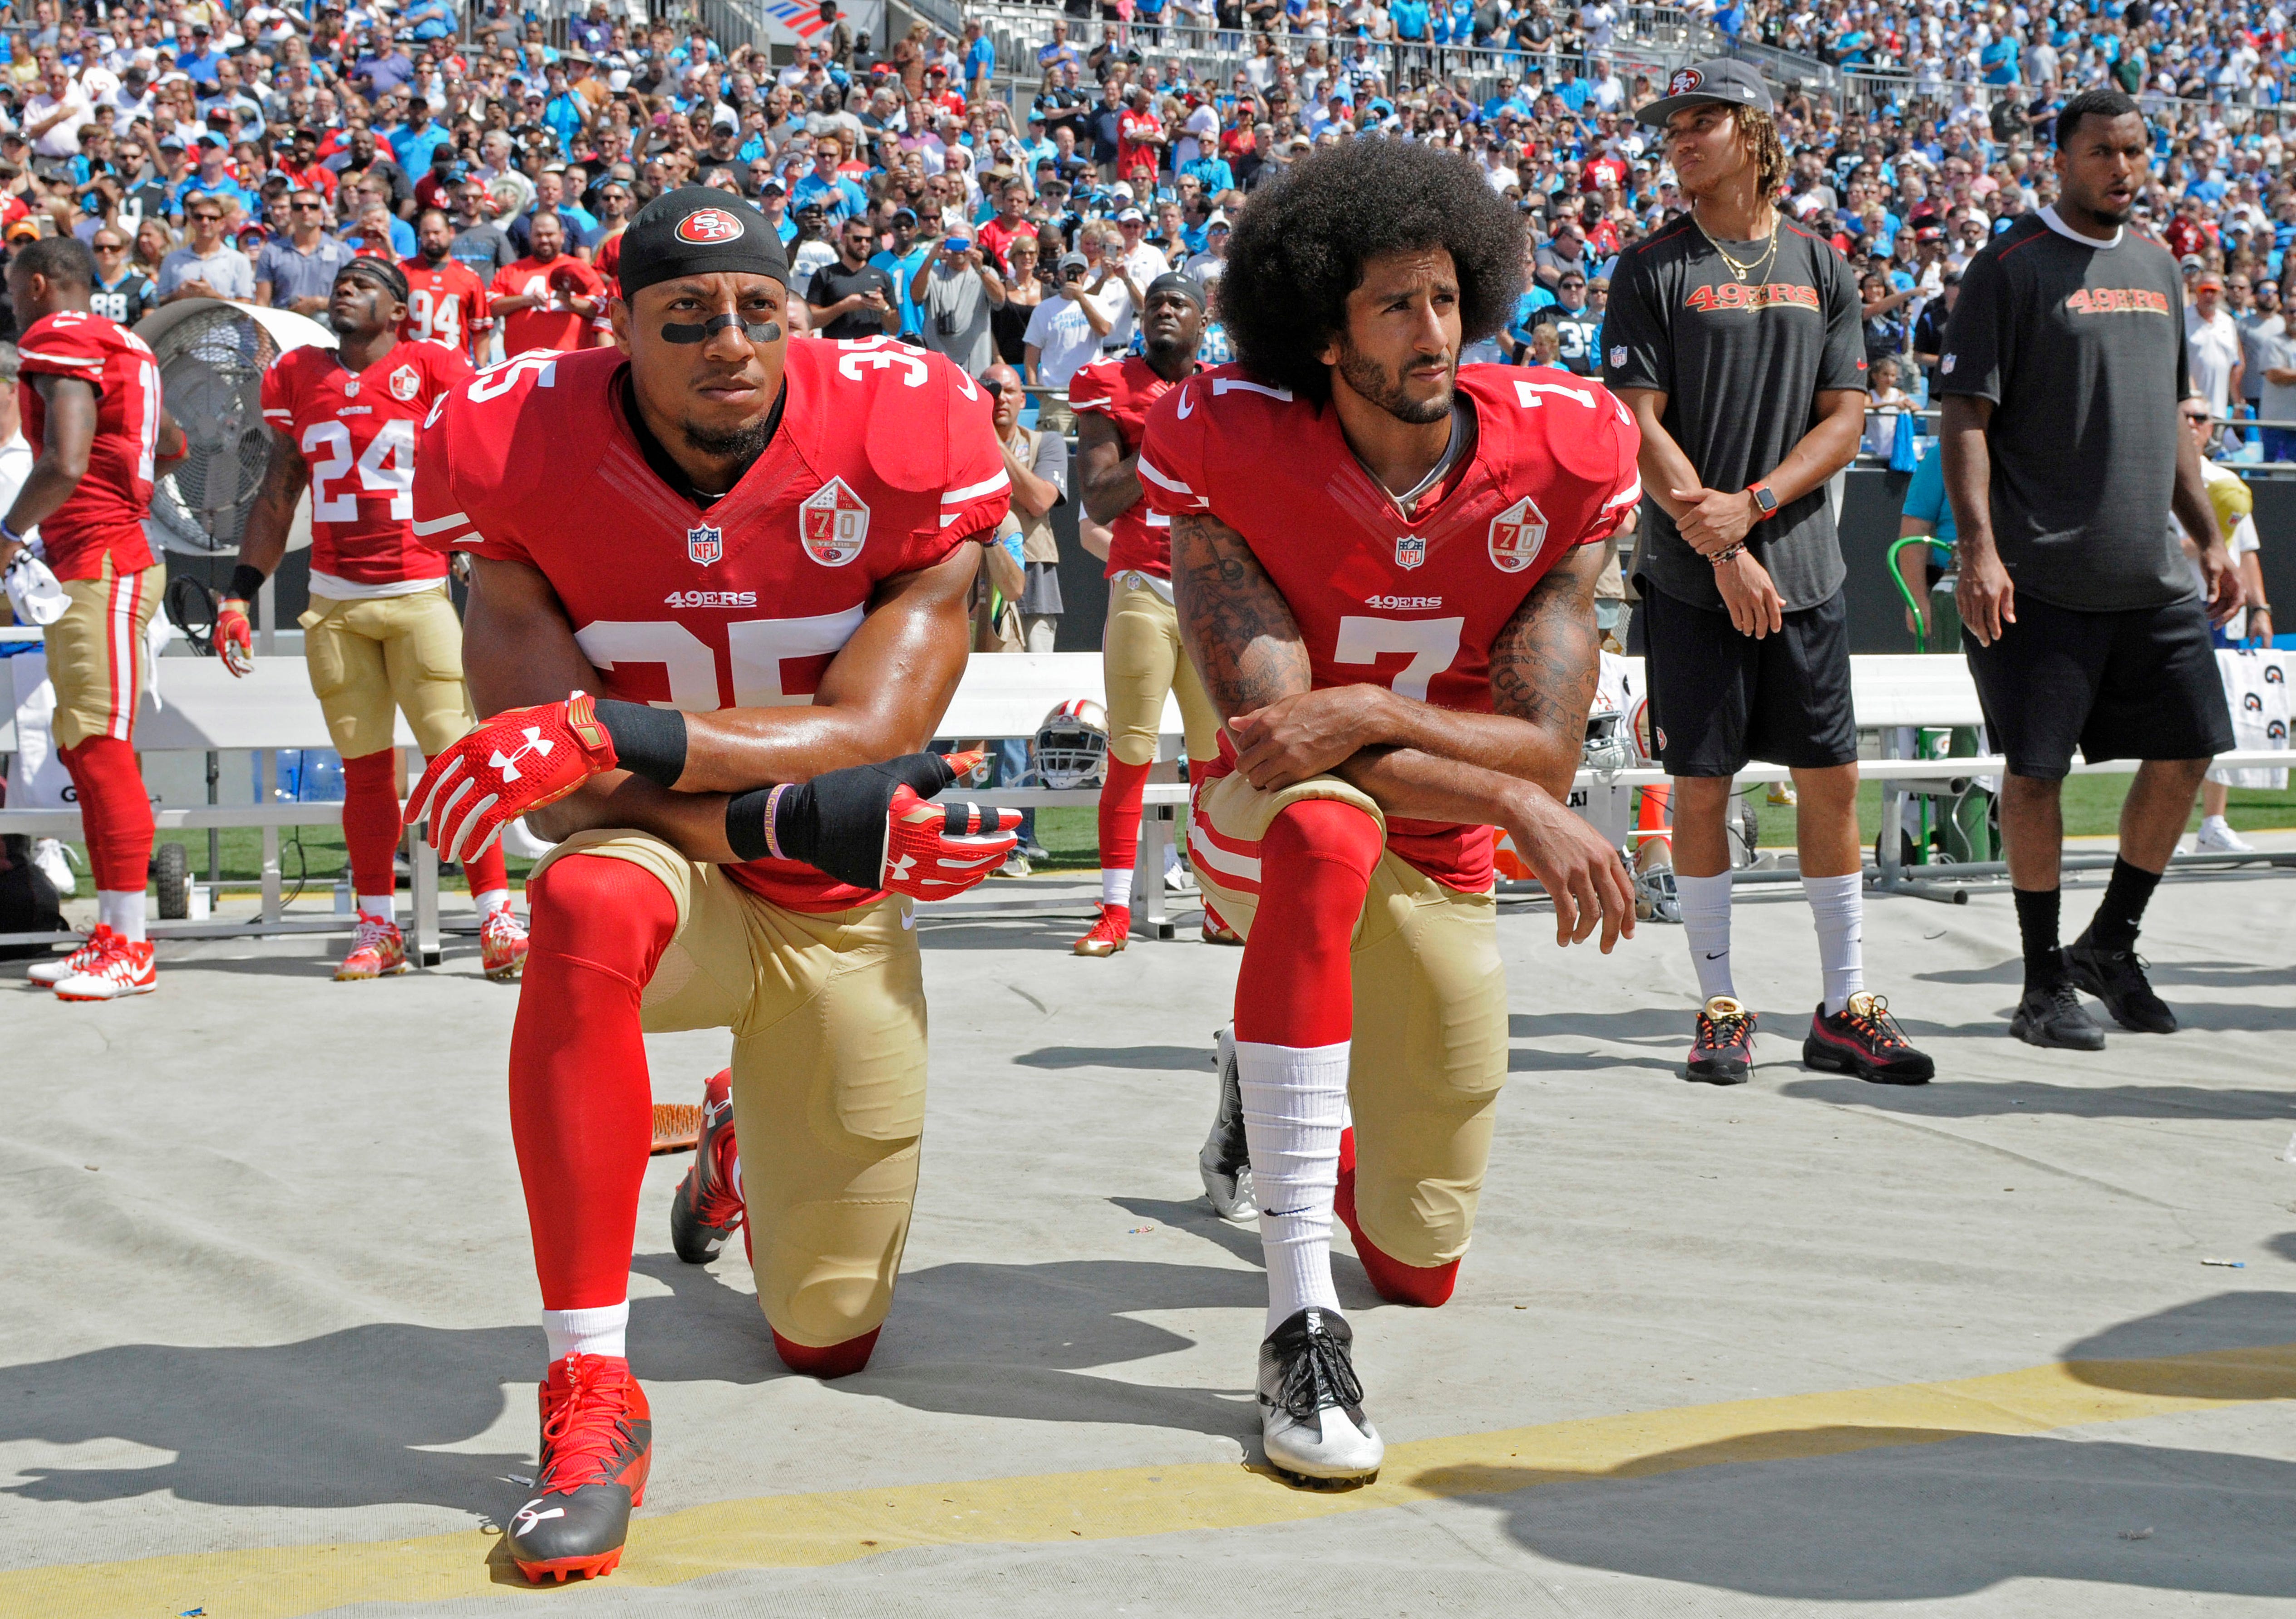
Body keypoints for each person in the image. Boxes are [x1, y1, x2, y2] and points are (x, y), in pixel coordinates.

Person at [402, 189, 1017, 1584]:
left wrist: (623, 727)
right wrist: (788, 813)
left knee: (830, 1340)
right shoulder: (516, 442)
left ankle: (737, 1146)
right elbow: (559, 798)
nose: (730, 341)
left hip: (832, 907)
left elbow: (871, 733)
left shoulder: (904, 426)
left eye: (756, 309)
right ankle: (592, 1392)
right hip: (671, 875)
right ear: (619, 335)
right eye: (686, 318)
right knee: (580, 897)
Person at [1140, 137, 1640, 1486]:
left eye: (1446, 296)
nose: (1436, 331)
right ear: (1318, 330)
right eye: (1392, 305)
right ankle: (1297, 1316)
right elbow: (1276, 741)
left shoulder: (1564, 447)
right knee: (1315, 827)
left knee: (1422, 1264)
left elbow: (1537, 747)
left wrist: (1375, 716)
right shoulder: (1224, 439)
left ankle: (1276, 1082)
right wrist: (1475, 776)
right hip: (1274, 823)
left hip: (1442, 847)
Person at [1605, 60, 1933, 1088]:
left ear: (1752, 133)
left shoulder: (1819, 263)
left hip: (1802, 569)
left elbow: (1843, 418)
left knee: (1827, 778)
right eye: (1671, 125)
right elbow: (1636, 421)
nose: (1679, 138)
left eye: (1700, 121)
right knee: (1699, 786)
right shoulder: (1649, 265)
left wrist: (1749, 510)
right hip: (1691, 576)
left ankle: (1842, 1006)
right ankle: (1717, 1006)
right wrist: (1721, 545)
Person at [1938, 88, 2244, 1053]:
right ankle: (2041, 985)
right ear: (2061, 159)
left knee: (2192, 748)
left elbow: (2173, 431)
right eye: (2103, 152)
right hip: (2039, 577)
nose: (2123, 168)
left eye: (2135, 151)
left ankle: (2109, 943)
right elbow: (1966, 418)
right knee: (2035, 777)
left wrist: (2209, 538)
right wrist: (1981, 549)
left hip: (2149, 575)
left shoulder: (2159, 264)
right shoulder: (2010, 265)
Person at [212, 259, 527, 982]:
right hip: (335, 599)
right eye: (342, 279)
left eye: (365, 281)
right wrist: (237, 591)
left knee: (461, 757)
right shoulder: (299, 375)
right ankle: (377, 923)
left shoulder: (433, 366)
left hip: (419, 591)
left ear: (398, 307)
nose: (346, 287)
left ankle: (496, 918)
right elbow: (278, 491)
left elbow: (486, 465)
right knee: (365, 773)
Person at [3, 236, 186, 999]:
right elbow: (171, 442)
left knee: (101, 748)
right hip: (110, 550)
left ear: (41, 285)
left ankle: (130, 943)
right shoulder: (130, 345)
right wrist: (129, 482)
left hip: (97, 558)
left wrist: (9, 534)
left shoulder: (59, 335)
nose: (14, 304)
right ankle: (114, 932)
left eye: (16, 290)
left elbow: (67, 460)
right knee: (85, 743)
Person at [1067, 274, 1226, 954]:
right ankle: (1113, 912)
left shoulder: (1226, 391)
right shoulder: (1111, 384)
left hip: (1215, 590)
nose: (1163, 308)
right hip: (1143, 584)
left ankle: (1220, 903)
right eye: (1153, 300)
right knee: (1131, 749)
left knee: (1215, 759)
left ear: (1202, 319)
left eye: (1177, 302)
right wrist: (1167, 431)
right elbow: (1100, 499)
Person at [491, 211, 607, 356]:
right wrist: (526, 300)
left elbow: (602, 309)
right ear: (529, 237)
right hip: (523, 364)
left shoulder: (579, 269)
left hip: (571, 362)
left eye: (550, 234)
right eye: (539, 235)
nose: (544, 240)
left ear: (562, 236)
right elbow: (491, 307)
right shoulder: (511, 271)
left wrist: (570, 303)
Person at [400, 208, 491, 362]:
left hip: (453, 364)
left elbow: (481, 332)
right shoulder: (402, 272)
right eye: (426, 233)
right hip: (410, 363)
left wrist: (479, 372)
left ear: (451, 232)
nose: (432, 238)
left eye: (437, 232)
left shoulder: (469, 278)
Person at [911, 231, 1004, 376]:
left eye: (965, 244)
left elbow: (1000, 299)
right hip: (937, 364)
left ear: (974, 245)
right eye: (955, 242)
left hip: (975, 366)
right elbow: (916, 296)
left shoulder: (987, 273)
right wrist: (931, 258)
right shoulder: (932, 273)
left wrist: (980, 269)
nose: (959, 250)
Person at [254, 186, 357, 315]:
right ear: (291, 214)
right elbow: (262, 303)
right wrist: (263, 336)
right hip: (284, 328)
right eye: (298, 207)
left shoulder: (343, 252)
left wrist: (318, 303)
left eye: (312, 207)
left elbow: (352, 299)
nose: (305, 211)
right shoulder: (272, 252)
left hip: (330, 330)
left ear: (321, 213)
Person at [804, 214, 896, 341]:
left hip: (871, 353)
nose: (864, 244)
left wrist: (884, 308)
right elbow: (811, 321)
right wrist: (843, 307)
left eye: (869, 240)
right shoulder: (825, 274)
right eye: (858, 239)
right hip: (838, 353)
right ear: (844, 238)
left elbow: (895, 328)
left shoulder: (882, 276)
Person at [158, 194, 254, 302]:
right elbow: (160, 302)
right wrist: (179, 295)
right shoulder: (172, 260)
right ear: (192, 221)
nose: (205, 222)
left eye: (212, 218)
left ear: (222, 223)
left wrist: (213, 295)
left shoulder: (238, 260)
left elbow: (246, 303)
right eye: (199, 217)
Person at [86, 226, 156, 325]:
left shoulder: (143, 286)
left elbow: (150, 325)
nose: (106, 252)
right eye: (100, 248)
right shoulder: (83, 285)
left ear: (124, 251)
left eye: (113, 248)